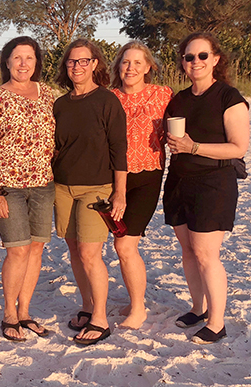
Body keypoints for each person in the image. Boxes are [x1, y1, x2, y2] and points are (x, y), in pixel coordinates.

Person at [164, 32, 249, 344]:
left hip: (214, 183)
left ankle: (217, 322)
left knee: (205, 254)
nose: (195, 62)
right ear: (183, 63)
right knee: (187, 250)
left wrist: (193, 146)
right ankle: (198, 308)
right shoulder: (179, 99)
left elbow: (238, 148)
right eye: (189, 57)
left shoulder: (229, 97)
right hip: (178, 181)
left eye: (202, 56)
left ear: (215, 59)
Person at [0, 36, 55, 341]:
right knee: (18, 249)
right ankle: (9, 313)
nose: (23, 64)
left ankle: (25, 312)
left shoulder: (48, 94)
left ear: (36, 63)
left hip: (43, 184)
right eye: (17, 58)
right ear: (7, 61)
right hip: (7, 186)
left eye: (29, 58)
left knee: (35, 248)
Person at [53, 38, 127, 345]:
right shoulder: (60, 104)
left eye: (84, 61)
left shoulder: (107, 101)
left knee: (90, 254)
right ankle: (87, 306)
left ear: (95, 64)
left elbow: (119, 149)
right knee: (74, 252)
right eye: (72, 62)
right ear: (65, 67)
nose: (77, 67)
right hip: (62, 188)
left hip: (96, 189)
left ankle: (100, 319)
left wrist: (119, 194)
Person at [109, 41, 173, 329]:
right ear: (118, 67)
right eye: (125, 62)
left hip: (147, 176)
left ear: (148, 67)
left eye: (137, 62)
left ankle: (139, 308)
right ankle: (135, 299)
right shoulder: (109, 98)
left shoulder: (163, 95)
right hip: (113, 179)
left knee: (125, 244)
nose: (130, 68)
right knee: (118, 243)